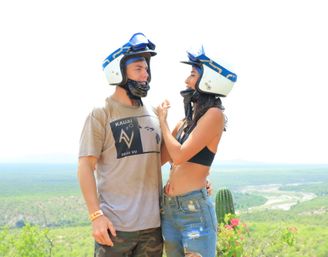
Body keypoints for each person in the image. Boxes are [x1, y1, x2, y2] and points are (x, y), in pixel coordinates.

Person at [77, 32, 164, 257]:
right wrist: (96, 216)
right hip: (115, 230)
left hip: (153, 229)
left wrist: (198, 179)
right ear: (118, 73)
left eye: (147, 69)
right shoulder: (101, 113)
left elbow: (161, 158)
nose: (145, 75)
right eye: (138, 69)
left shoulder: (154, 114)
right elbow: (86, 166)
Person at [157, 46, 237, 257]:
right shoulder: (186, 122)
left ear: (209, 80)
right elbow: (161, 159)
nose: (186, 80)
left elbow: (180, 155)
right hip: (170, 209)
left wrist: (163, 121)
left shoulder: (214, 115)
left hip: (194, 213)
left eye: (192, 74)